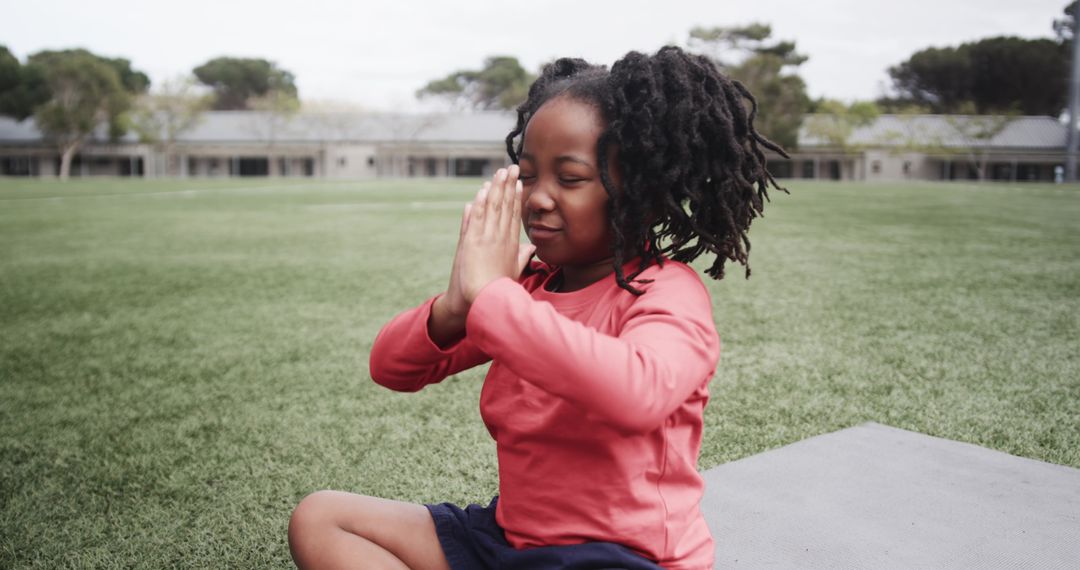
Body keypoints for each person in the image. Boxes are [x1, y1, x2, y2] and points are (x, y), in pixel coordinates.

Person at [287, 45, 789, 570]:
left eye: (569, 179)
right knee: (322, 519)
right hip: (512, 541)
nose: (538, 198)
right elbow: (391, 367)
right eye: (527, 176)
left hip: (621, 558)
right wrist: (459, 303)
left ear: (642, 195)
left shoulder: (667, 291)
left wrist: (495, 296)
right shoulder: (523, 291)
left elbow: (636, 393)